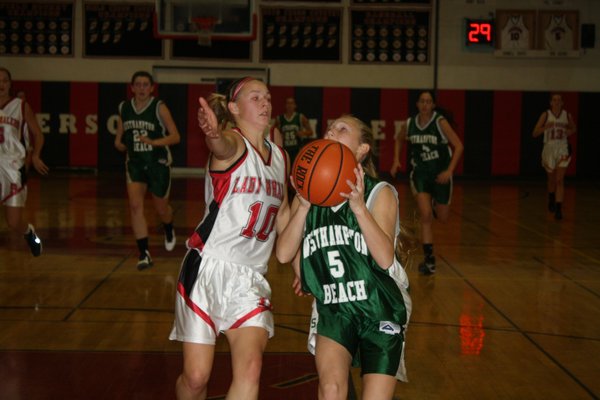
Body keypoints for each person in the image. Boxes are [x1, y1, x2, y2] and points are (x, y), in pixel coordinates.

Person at [169, 77, 290, 400]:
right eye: (255, 98)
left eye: (267, 97)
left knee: (250, 369)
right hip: (207, 267)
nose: (265, 103)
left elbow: (284, 216)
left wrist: (303, 264)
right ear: (234, 108)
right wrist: (212, 135)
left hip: (250, 278)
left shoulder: (280, 158)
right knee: (196, 379)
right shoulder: (233, 145)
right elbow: (220, 146)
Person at [276, 115, 411, 400]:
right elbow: (284, 253)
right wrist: (301, 206)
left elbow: (386, 259)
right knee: (331, 390)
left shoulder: (379, 192)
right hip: (335, 309)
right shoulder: (310, 195)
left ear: (362, 150)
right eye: (329, 128)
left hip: (380, 307)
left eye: (342, 128)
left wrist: (359, 208)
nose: (330, 131)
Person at [391, 90, 464, 275]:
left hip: (441, 175)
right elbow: (398, 140)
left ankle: (433, 205)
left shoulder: (440, 122)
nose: (425, 105)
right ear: (417, 104)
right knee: (425, 216)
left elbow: (459, 146)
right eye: (422, 101)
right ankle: (429, 261)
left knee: (443, 217)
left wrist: (449, 171)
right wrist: (396, 160)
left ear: (433, 105)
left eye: (428, 102)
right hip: (420, 174)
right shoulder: (409, 124)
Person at [114, 71, 181, 270]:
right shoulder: (124, 107)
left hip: (157, 163)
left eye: (145, 85)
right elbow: (120, 136)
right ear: (132, 87)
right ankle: (144, 253)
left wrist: (154, 142)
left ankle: (168, 227)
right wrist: (119, 143)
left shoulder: (159, 107)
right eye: (138, 84)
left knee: (161, 209)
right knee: (135, 206)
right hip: (134, 164)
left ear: (152, 88)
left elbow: (176, 136)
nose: (142, 88)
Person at [0, 67, 49, 256]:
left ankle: (30, 234)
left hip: (12, 166)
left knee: (13, 222)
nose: (1, 84)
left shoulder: (20, 105)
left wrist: (35, 155)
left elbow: (38, 134)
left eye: (5, 81)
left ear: (10, 84)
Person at [532, 93, 575, 220]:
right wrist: (545, 127)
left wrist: (570, 131)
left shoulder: (567, 115)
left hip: (562, 148)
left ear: (562, 103)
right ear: (550, 102)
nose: (557, 102)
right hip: (549, 148)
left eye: (559, 100)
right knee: (551, 180)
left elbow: (574, 128)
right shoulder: (545, 115)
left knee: (559, 180)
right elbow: (534, 133)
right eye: (554, 100)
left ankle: (559, 209)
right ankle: (551, 197)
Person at [274, 96, 313, 166]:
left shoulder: (300, 117)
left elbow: (310, 132)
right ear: (285, 105)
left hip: (297, 149)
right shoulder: (279, 118)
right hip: (284, 149)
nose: (289, 105)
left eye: (291, 103)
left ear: (295, 105)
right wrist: (279, 135)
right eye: (288, 103)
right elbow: (273, 134)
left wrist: (302, 133)